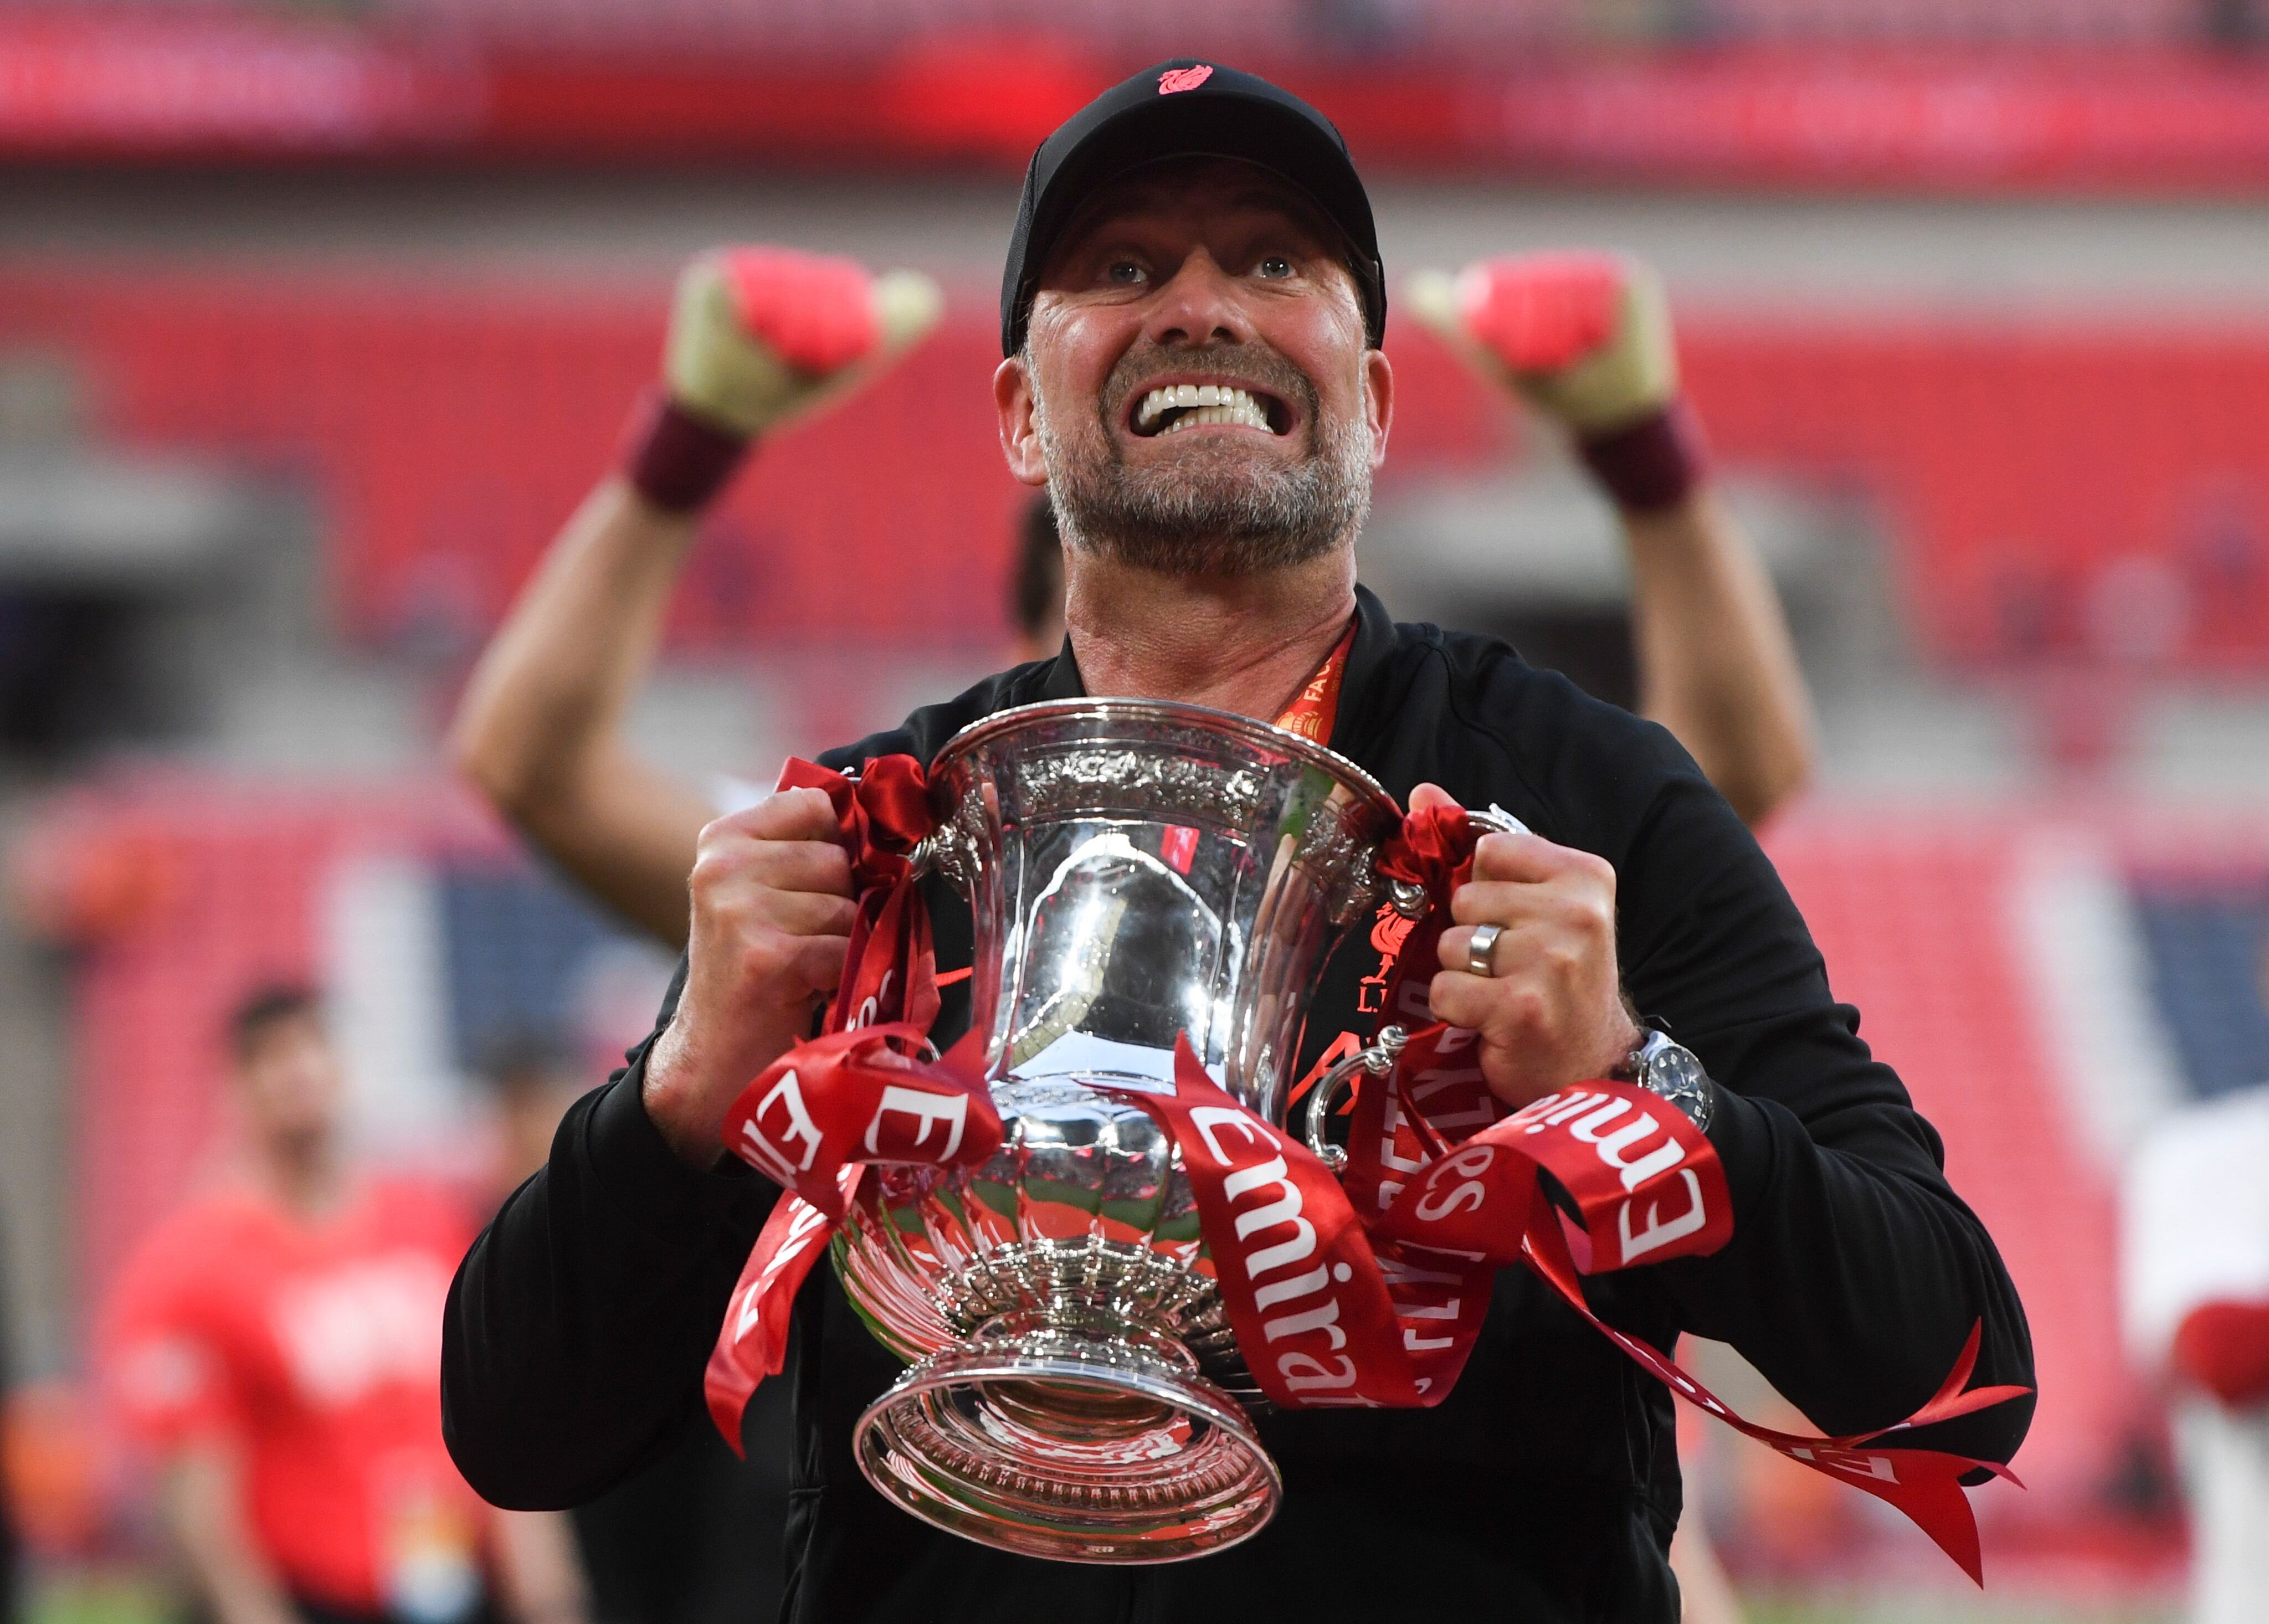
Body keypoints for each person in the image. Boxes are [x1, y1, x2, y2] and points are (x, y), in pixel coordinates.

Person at [443, 61, 2031, 1623]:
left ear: (1379, 397)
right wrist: (680, 1103)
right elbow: (519, 1427)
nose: (1200, 304)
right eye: (1121, 266)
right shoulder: (879, 839)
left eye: (1273, 259)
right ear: (1017, 414)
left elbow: (1960, 1377)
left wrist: (1637, 1082)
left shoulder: (1580, 800)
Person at [104, 988, 589, 1624]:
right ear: (234, 1088)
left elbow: (496, 1412)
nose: (297, 1073)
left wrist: (547, 1586)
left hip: (452, 1581)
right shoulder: (188, 1269)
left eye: (311, 1047)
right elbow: (199, 1494)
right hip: (315, 1594)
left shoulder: (428, 1222)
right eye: (269, 1058)